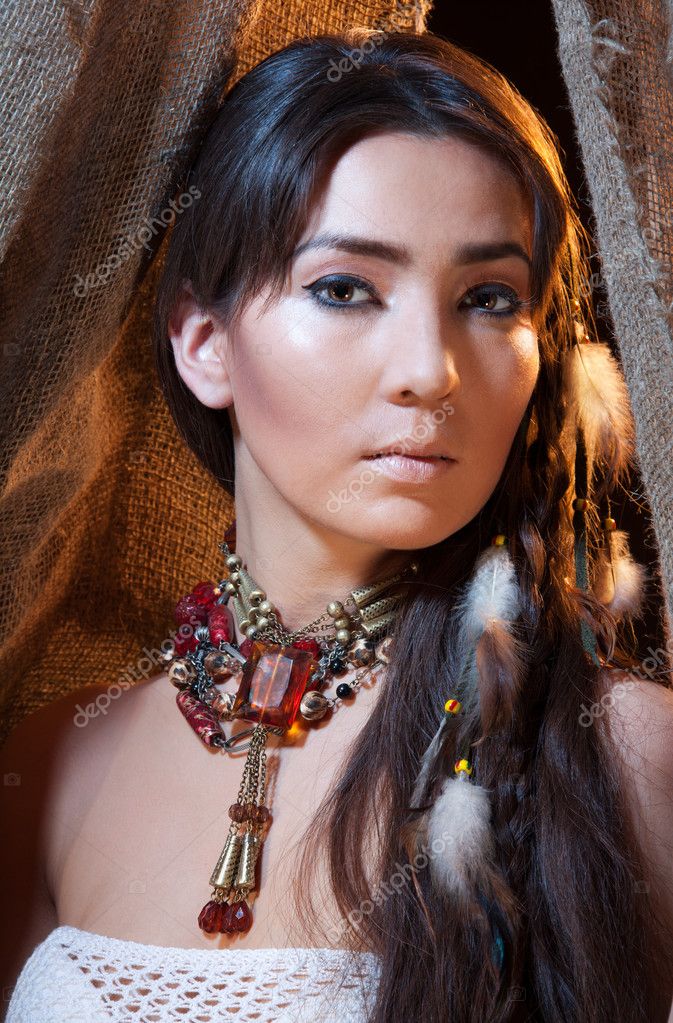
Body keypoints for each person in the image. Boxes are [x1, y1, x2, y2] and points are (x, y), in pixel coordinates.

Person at [2, 26, 673, 1023]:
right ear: (202, 341)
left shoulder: (622, 753)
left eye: (489, 298)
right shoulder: (52, 761)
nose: (428, 370)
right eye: (345, 288)